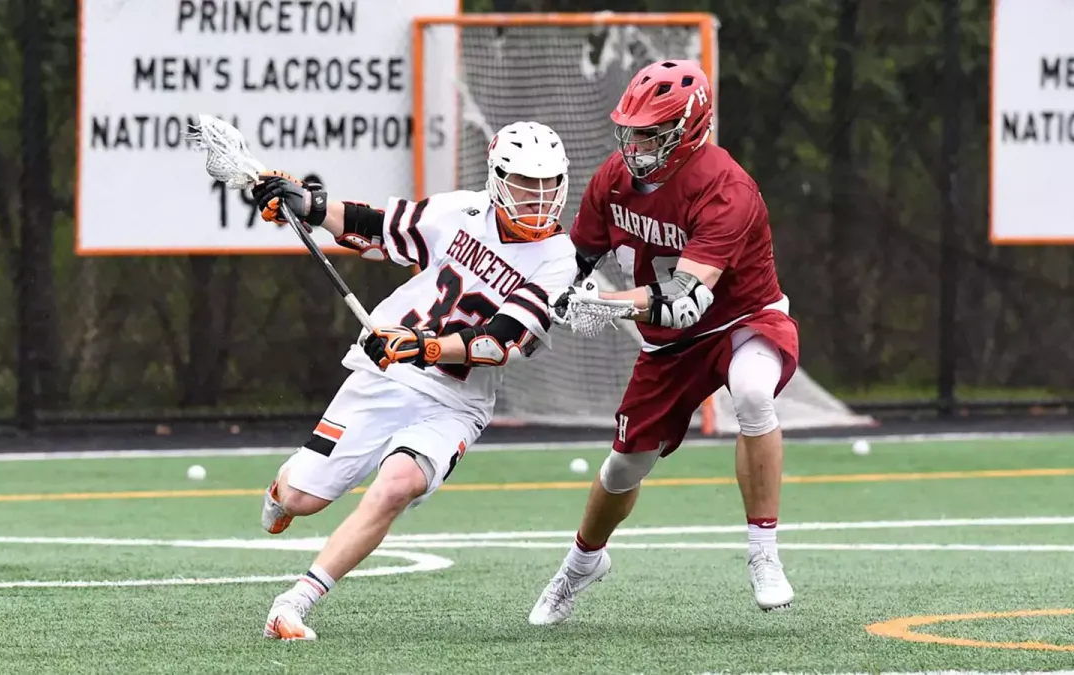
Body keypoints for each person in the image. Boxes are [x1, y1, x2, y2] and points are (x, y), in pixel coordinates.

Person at [249, 121, 578, 640]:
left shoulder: (559, 258)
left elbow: (500, 341)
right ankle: (283, 491)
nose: (537, 197)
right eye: (523, 183)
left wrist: (425, 346)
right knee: (300, 500)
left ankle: (294, 603)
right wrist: (307, 204)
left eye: (547, 184)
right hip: (387, 371)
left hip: (455, 400)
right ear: (496, 179)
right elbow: (378, 229)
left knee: (398, 483)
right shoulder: (460, 212)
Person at [528, 60, 800, 625]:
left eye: (652, 132)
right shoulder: (613, 178)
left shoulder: (727, 189)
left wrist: (601, 305)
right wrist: (536, 313)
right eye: (632, 130)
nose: (637, 143)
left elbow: (684, 299)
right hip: (667, 345)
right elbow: (576, 259)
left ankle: (764, 554)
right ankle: (580, 565)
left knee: (753, 395)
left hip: (741, 318)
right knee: (623, 468)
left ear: (691, 128)